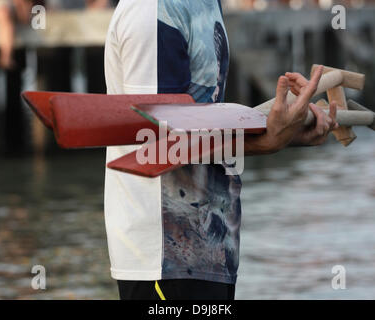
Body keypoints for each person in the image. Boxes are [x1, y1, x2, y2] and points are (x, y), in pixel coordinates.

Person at [104, 0, 338, 300]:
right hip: (163, 258)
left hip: (215, 247)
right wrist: (268, 141)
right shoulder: (153, 10)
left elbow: (204, 125)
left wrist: (288, 130)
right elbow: (155, 143)